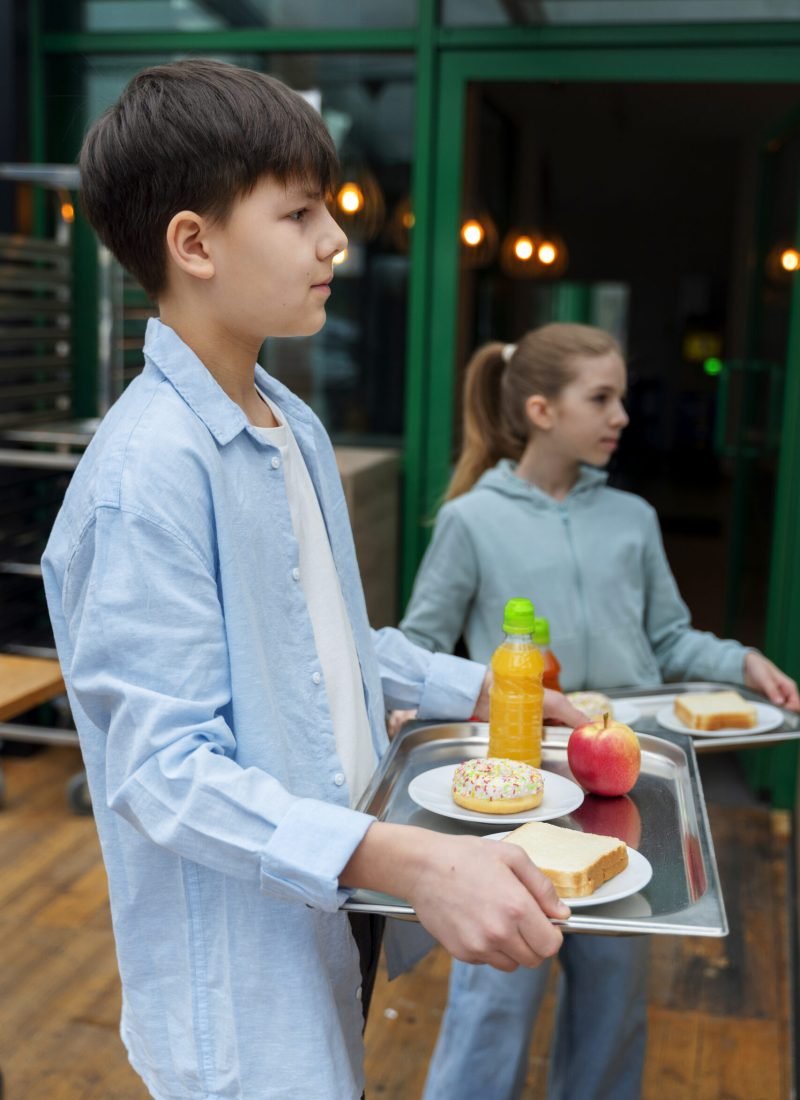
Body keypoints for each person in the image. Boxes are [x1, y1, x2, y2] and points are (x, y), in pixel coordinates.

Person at [40, 62, 584, 1100]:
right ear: (192, 244)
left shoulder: (291, 424)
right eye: (296, 213)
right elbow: (163, 770)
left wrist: (480, 690)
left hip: (330, 910)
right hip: (238, 980)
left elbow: (323, 637)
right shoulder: (147, 470)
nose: (336, 240)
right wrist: (413, 861)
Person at [400, 323, 800, 1100]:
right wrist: (405, 708)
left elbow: (671, 636)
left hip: (629, 790)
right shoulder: (471, 522)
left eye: (621, 396)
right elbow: (419, 646)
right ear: (543, 410)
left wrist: (742, 661)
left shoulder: (634, 520)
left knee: (615, 1001)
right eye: (602, 398)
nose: (622, 415)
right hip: (517, 791)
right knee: (495, 999)